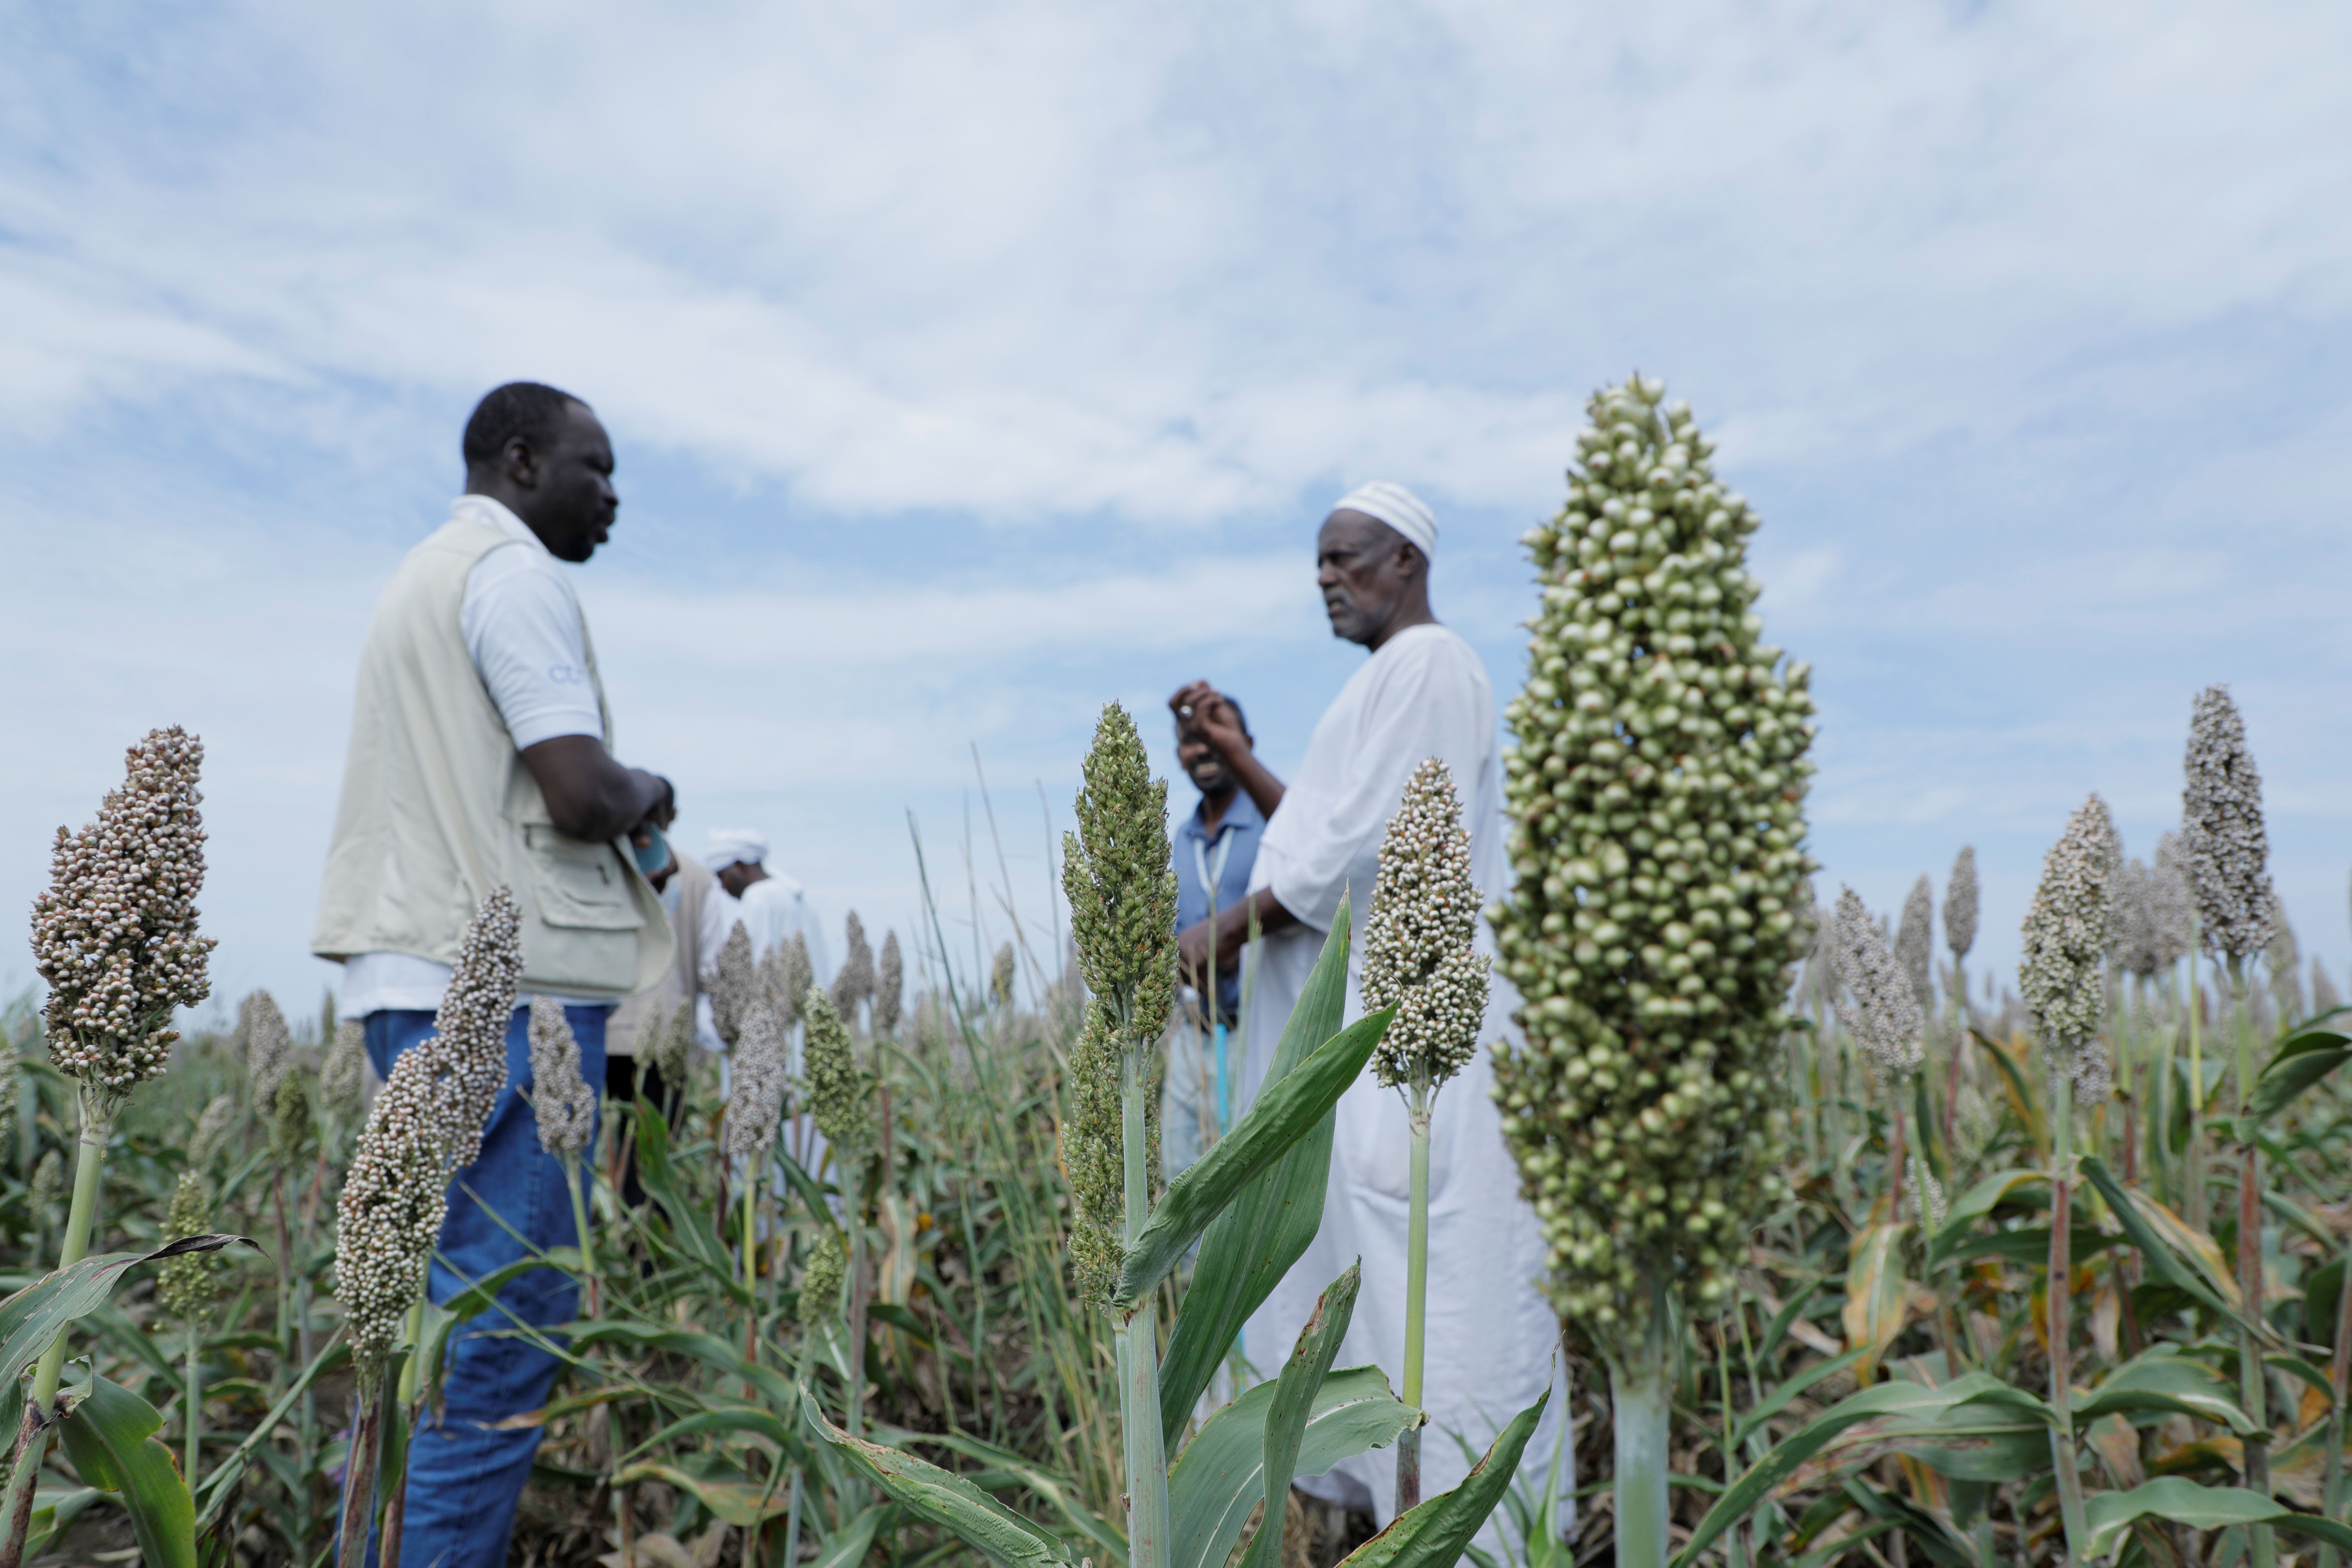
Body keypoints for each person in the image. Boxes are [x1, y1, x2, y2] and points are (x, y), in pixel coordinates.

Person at [312, 382, 675, 1568]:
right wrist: (648, 793)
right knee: (500, 1338)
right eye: (595, 466)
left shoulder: (421, 578)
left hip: (410, 968)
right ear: (520, 461)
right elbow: (577, 790)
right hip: (504, 992)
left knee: (419, 1329)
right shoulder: (517, 578)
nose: (613, 494)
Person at [1177, 481, 1566, 1541]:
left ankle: (1469, 1525)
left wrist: (1221, 927)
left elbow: (1378, 833)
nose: (1325, 579)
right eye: (1317, 563)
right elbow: (1324, 825)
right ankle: (1390, 1517)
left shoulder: (1432, 664)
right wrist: (1235, 747)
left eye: (1345, 558)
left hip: (1428, 1026)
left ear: (1406, 560)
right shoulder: (1392, 677)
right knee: (1378, 1268)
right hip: (1383, 1024)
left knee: (1444, 1281)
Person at [1161, 687, 1279, 1175]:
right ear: (1178, 756)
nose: (1205, 749)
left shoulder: (1274, 822)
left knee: (1253, 1185)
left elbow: (1319, 870)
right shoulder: (1179, 839)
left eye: (1219, 734)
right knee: (1183, 1180)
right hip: (1194, 1038)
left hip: (1259, 1031)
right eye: (1192, 739)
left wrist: (1231, 940)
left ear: (1246, 742)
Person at [702, 827, 833, 983]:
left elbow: (748, 967)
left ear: (740, 866)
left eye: (722, 877)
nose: (723, 887)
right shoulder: (795, 896)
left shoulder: (757, 898)